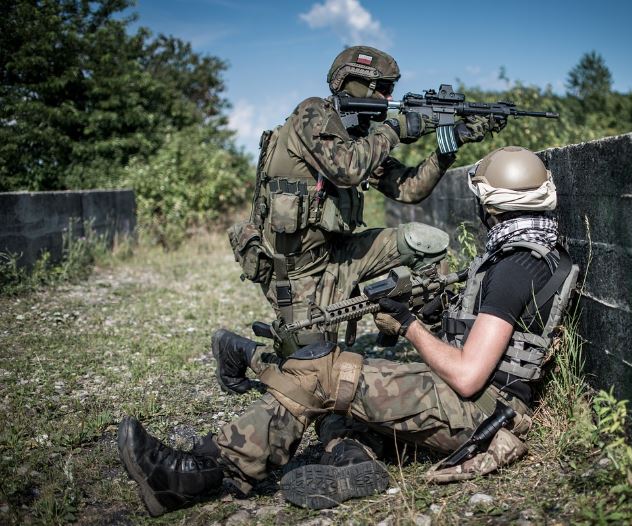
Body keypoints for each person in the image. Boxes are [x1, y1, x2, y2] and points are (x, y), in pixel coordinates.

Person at [117, 146, 579, 516]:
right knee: (341, 394)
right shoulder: (533, 252)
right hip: (479, 407)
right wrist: (434, 313)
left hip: (480, 415)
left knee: (326, 374)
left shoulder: (516, 267)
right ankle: (352, 460)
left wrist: (407, 324)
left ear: (492, 207)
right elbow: (487, 342)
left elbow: (467, 375)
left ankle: (198, 471)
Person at [225, 45, 506, 361]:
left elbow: (409, 189)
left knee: (425, 243)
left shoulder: (357, 136)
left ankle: (440, 344)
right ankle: (239, 351)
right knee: (310, 362)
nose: (389, 99)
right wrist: (395, 129)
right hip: (296, 271)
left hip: (341, 254)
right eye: (383, 89)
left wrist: (450, 142)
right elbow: (345, 170)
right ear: (357, 83)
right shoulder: (312, 114)